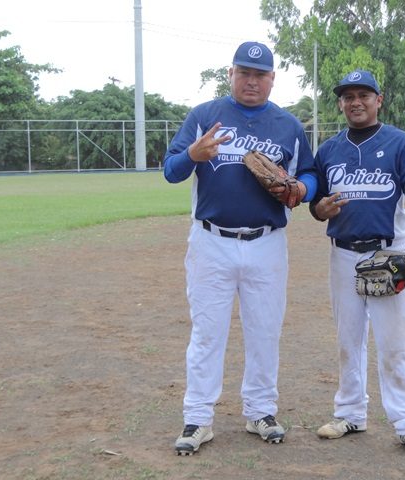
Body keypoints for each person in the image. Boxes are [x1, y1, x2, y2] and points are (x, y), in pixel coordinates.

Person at [163, 41, 317, 456]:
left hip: (267, 243)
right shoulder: (204, 116)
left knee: (265, 330)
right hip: (211, 241)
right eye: (244, 72)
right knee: (207, 332)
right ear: (230, 74)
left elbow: (309, 173)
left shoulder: (288, 125)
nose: (252, 80)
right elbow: (170, 171)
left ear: (272, 79)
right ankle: (198, 417)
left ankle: (260, 411)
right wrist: (193, 154)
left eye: (260, 74)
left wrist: (302, 189)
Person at [309, 70, 405, 457]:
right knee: (348, 339)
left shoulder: (400, 143)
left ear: (379, 100)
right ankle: (350, 414)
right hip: (343, 253)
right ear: (341, 104)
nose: (356, 102)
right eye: (348, 96)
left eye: (364, 95)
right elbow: (317, 205)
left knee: (396, 342)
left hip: (387, 253)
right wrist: (318, 209)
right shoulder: (329, 150)